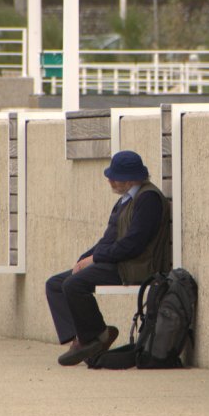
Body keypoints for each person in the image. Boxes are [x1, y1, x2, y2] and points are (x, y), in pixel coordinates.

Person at [46, 150, 171, 366]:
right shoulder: (124, 201)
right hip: (118, 262)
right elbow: (109, 238)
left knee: (74, 285)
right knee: (55, 284)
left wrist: (96, 259)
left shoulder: (148, 199)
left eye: (115, 177)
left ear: (131, 178)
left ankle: (95, 337)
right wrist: (85, 258)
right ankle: (85, 338)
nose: (110, 180)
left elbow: (134, 244)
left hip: (134, 267)